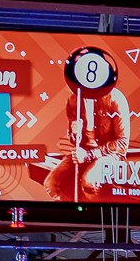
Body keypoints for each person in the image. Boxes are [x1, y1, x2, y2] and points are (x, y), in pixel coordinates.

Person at [32, 46, 132, 201]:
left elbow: (122, 143)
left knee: (89, 181)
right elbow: (74, 140)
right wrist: (74, 133)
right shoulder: (73, 100)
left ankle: (95, 215)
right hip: (83, 152)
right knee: (50, 183)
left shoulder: (116, 99)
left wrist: (89, 155)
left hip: (109, 154)